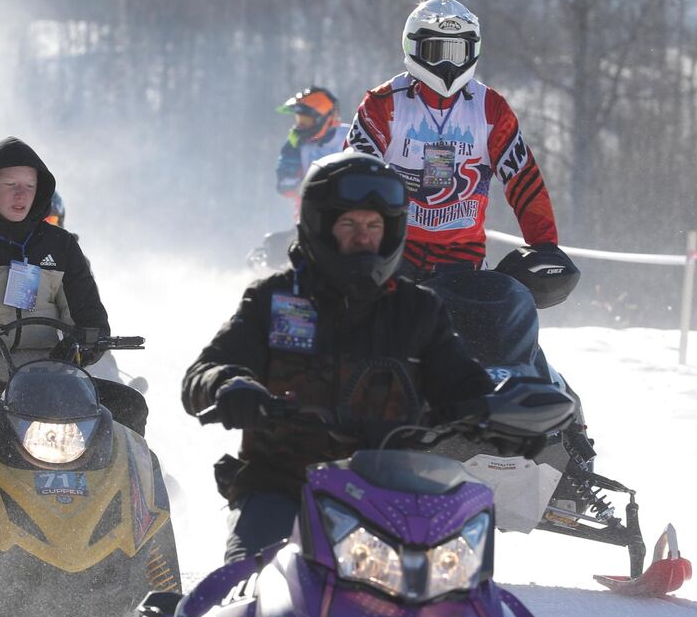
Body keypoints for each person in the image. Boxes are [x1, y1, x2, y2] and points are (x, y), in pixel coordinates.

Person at [183, 151, 496, 562]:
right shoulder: (274, 298)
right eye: (349, 224)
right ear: (320, 227)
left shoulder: (418, 310)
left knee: (459, 601)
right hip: (283, 489)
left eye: (374, 225)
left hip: (397, 496)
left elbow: (464, 382)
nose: (363, 236)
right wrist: (230, 385)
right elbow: (203, 374)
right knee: (250, 584)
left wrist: (501, 408)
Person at [0, 136, 146, 459]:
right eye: (11, 184)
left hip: (50, 383)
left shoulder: (62, 247)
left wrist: (86, 343)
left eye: (29, 186)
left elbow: (91, 318)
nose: (21, 194)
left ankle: (130, 506)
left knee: (129, 405)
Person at [345, 0, 559, 276]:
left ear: (473, 51)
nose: (447, 63)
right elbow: (352, 175)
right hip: (391, 253)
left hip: (463, 260)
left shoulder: (491, 108)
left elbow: (523, 179)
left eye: (456, 52)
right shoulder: (383, 103)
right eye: (436, 51)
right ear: (414, 47)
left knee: (509, 312)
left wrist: (544, 245)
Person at [274, 86, 346, 201]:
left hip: (350, 203)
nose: (300, 126)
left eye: (306, 121)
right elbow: (285, 182)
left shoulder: (351, 136)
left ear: (325, 119)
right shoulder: (296, 143)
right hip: (311, 207)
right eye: (299, 120)